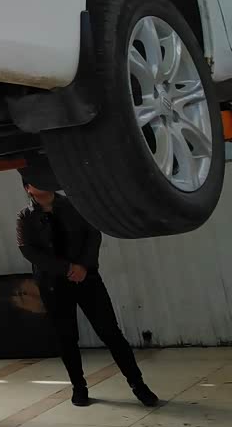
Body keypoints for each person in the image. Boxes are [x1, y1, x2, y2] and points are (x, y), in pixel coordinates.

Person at [16, 173, 158, 408]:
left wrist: (83, 266)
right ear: (28, 188)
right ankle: (79, 387)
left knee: (110, 332)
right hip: (53, 284)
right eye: (36, 181)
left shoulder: (74, 204)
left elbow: (93, 233)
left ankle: (138, 384)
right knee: (66, 337)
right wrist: (66, 269)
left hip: (87, 278)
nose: (43, 183)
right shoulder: (25, 217)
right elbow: (29, 251)